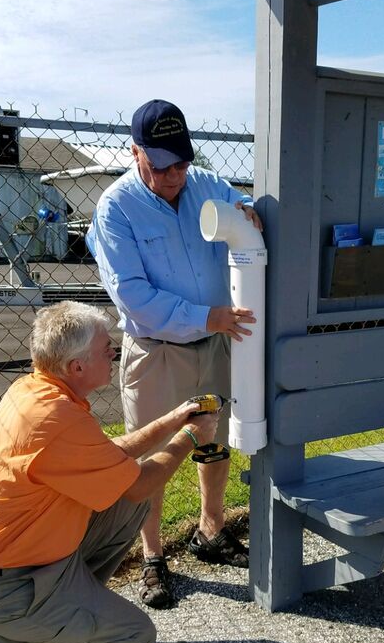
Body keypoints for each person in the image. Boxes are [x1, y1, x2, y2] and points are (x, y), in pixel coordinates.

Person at [0, 301, 218, 643]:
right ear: (76, 367)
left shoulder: (36, 391)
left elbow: (110, 457)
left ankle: (69, 609)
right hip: (5, 589)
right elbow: (142, 482)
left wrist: (175, 418)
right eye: (106, 348)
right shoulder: (56, 419)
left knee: (127, 504)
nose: (114, 352)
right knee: (134, 640)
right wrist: (192, 437)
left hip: (25, 563)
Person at [86, 99, 263, 610]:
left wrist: (250, 210)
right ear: (135, 152)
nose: (173, 175)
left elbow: (246, 210)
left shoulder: (207, 184)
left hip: (214, 342)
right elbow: (132, 295)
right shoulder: (116, 208)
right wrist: (207, 315)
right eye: (160, 165)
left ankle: (211, 532)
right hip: (160, 349)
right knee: (148, 459)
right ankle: (152, 558)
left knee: (214, 442)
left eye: (181, 163)